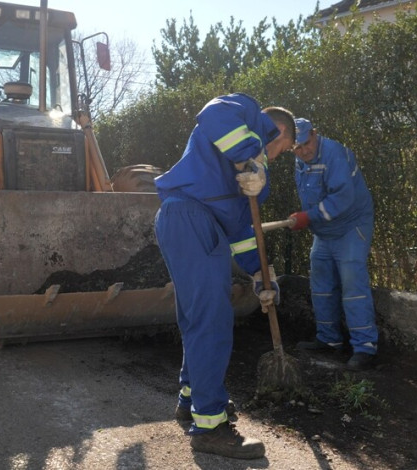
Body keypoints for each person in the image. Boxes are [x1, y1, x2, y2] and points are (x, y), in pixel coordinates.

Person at [154, 93, 295, 460]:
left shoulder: (252, 177)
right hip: (192, 218)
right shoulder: (245, 117)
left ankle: (191, 400)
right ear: (277, 132)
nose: (276, 157)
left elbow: (244, 232)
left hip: (195, 223)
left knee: (196, 318)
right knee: (211, 321)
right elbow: (212, 112)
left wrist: (262, 277)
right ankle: (210, 428)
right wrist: (249, 153)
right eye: (283, 148)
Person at [287, 118, 378, 371]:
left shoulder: (335, 154)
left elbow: (343, 197)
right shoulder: (300, 161)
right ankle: (329, 340)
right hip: (325, 230)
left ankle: (365, 348)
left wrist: (308, 217)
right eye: (296, 148)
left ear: (315, 134)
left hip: (351, 226)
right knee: (321, 283)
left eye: (306, 144)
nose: (303, 151)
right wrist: (306, 218)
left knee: (353, 284)